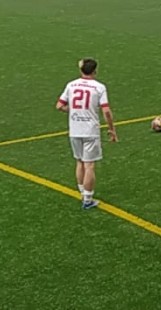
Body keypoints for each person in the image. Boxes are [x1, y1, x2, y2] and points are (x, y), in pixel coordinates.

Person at [56, 58, 116, 210]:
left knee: (79, 161)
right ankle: (88, 200)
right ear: (95, 71)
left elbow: (59, 106)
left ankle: (83, 193)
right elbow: (106, 111)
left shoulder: (71, 85)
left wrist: (74, 110)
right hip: (90, 130)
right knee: (89, 165)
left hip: (74, 129)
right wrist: (111, 129)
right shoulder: (99, 87)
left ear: (81, 70)